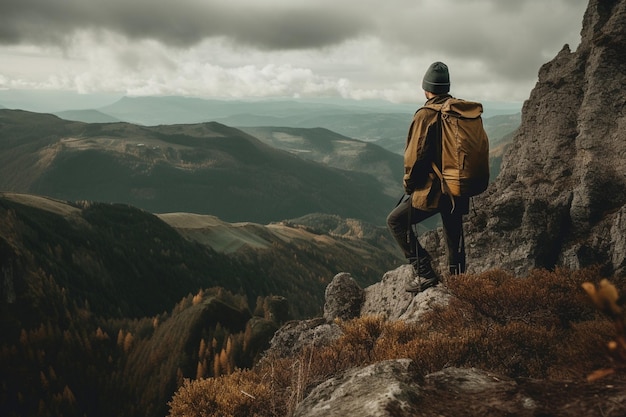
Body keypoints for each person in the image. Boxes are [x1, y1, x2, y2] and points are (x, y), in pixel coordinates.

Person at [387, 61, 469, 293]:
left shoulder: (426, 115)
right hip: (460, 185)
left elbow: (415, 157)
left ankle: (424, 272)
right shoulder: (461, 110)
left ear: (426, 89)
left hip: (436, 189)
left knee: (396, 221)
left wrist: (409, 186)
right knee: (453, 233)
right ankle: (459, 285)